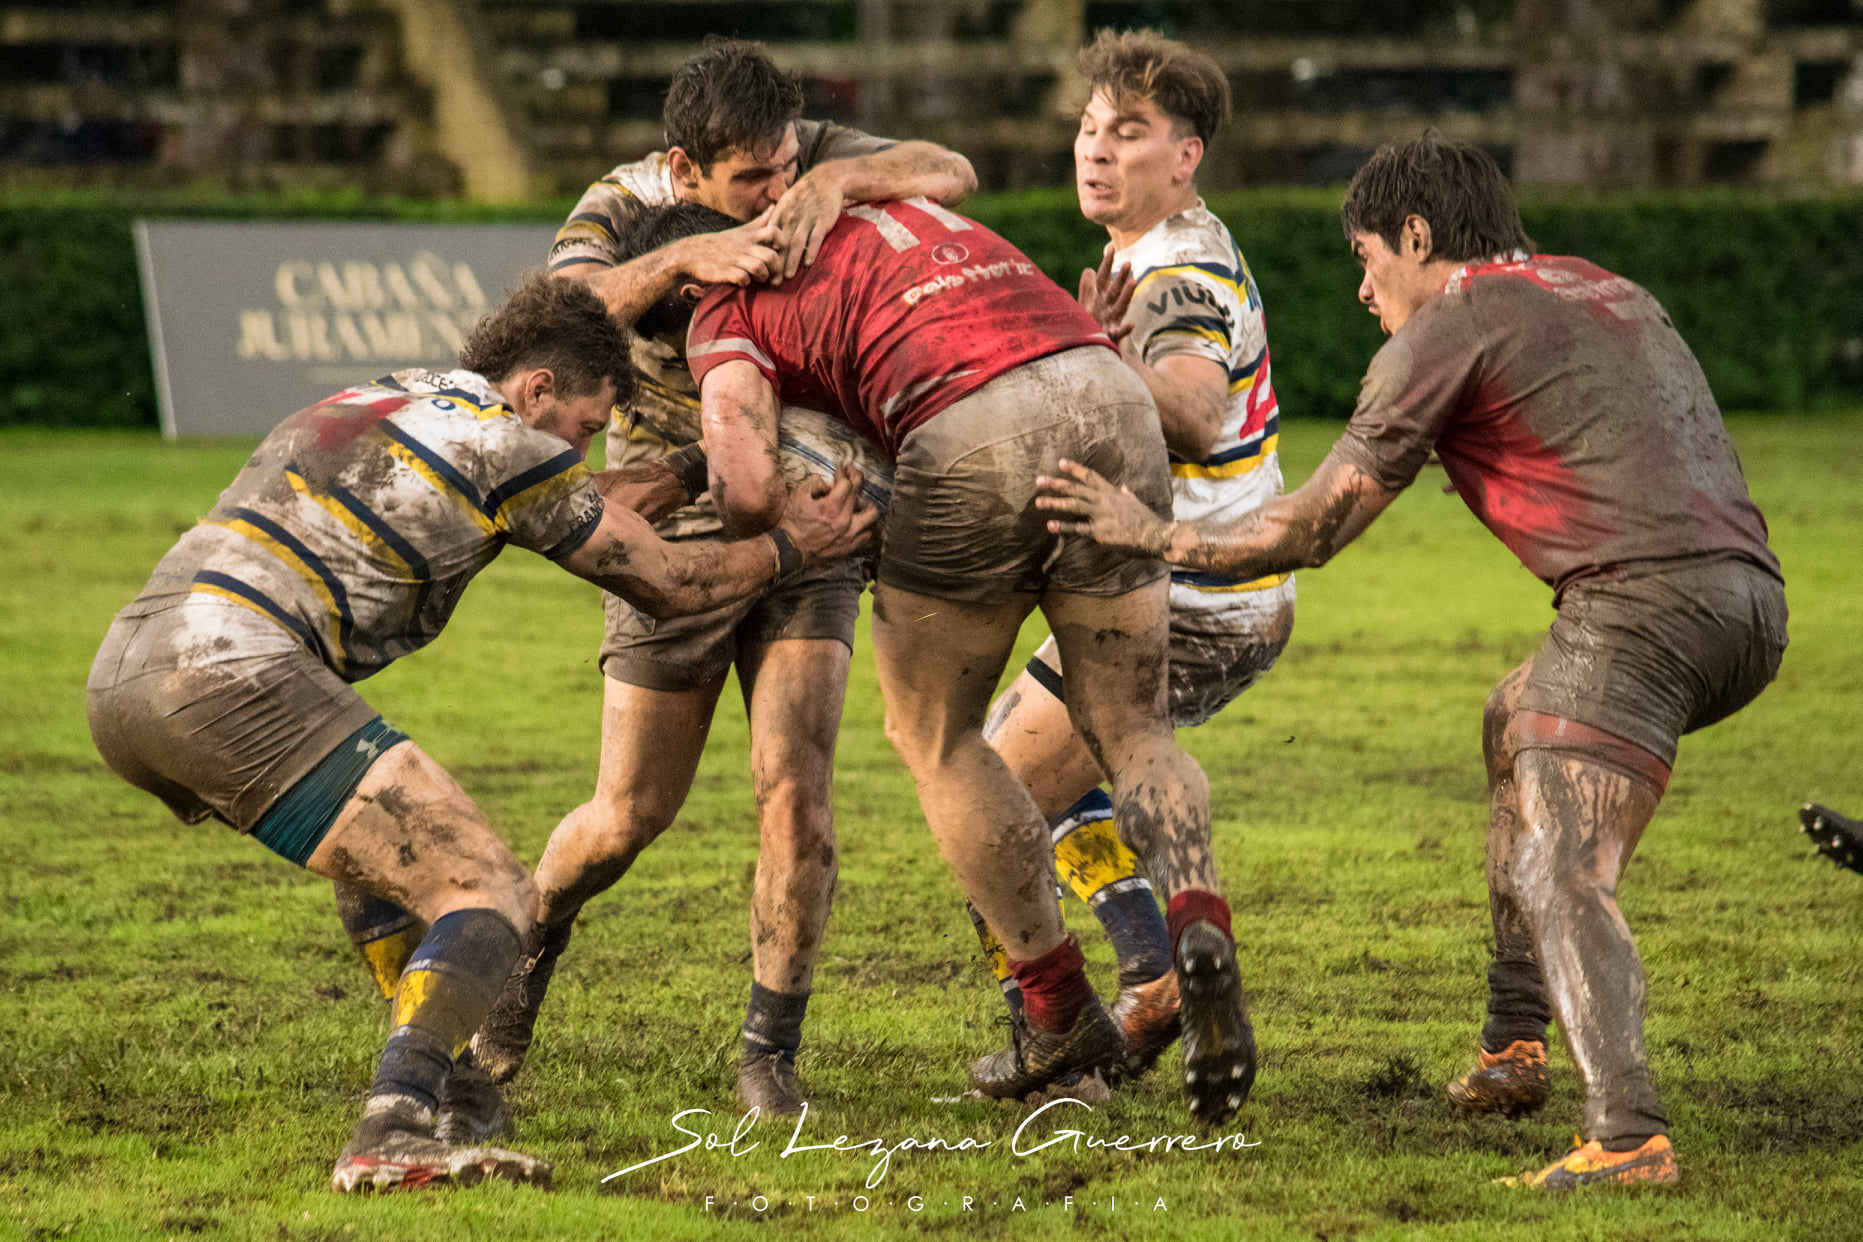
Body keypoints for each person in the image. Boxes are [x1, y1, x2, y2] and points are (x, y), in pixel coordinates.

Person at [1035, 132, 1787, 1187]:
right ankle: (1512, 1043)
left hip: (1639, 609)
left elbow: (1305, 531)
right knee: (1510, 719)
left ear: (1419, 236)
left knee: (1562, 864)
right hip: (1753, 602)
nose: (1362, 288)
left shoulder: (1451, 319)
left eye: (1366, 258)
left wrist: (1146, 531)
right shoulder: (1602, 288)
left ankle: (1628, 1136)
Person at [85, 274, 873, 1193]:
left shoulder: (398, 395)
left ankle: (453, 1085)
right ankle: (394, 1126)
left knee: (386, 863)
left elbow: (578, 504)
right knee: (492, 888)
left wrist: (697, 466)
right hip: (230, 671)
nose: (579, 448)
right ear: (535, 388)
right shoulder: (509, 445)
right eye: (581, 425)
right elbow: (669, 584)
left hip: (131, 675)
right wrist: (793, 548)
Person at [431, 38, 975, 1119]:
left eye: (782, 170)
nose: (772, 199)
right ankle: (529, 952)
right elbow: (561, 313)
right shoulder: (620, 203)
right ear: (684, 172)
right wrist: (688, 261)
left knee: (798, 793)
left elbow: (949, 169)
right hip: (672, 527)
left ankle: (768, 1055)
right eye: (749, 183)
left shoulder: (804, 157)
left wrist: (835, 177)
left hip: (809, 512)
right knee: (628, 815)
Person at [644, 189, 1260, 1126]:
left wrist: (780, 518)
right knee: (1132, 725)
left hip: (973, 428)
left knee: (936, 735)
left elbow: (745, 483)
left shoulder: (721, 304)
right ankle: (1195, 922)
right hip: (1101, 384)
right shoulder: (879, 205)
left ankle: (1055, 1012)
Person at [966, 28, 1295, 1088]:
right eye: (1090, 126)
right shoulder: (1160, 252)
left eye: (1131, 132)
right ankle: (1166, 961)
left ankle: (1060, 1021)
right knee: (1071, 777)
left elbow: (1195, 412)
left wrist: (1093, 349)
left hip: (1188, 583)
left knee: (983, 786)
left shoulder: (1175, 273)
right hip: (1235, 587)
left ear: (1186, 155)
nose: (1096, 150)